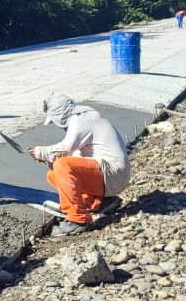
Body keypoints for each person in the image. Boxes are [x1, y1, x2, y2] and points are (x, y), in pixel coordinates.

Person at [28, 93, 130, 237]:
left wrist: (42, 152)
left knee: (62, 166)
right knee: (53, 174)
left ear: (58, 115)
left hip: (113, 174)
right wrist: (49, 159)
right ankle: (100, 202)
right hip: (110, 175)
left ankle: (78, 220)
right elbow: (74, 158)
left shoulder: (82, 119)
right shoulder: (83, 116)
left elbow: (66, 148)